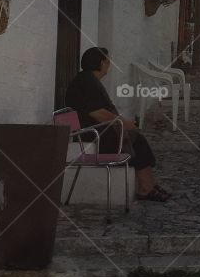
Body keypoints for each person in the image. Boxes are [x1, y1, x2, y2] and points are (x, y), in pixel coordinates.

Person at [65, 47, 169, 202]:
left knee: (137, 139)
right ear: (101, 63)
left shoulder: (88, 79)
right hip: (92, 135)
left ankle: (150, 185)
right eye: (108, 61)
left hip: (98, 131)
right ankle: (145, 188)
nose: (109, 64)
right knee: (136, 140)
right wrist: (124, 123)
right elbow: (97, 113)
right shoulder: (86, 82)